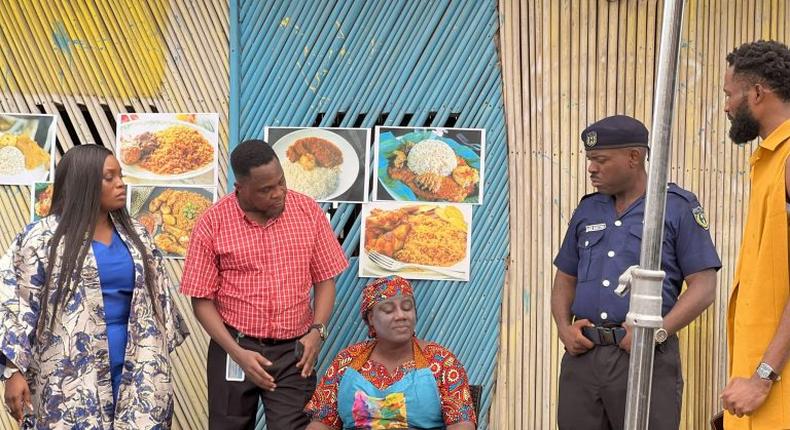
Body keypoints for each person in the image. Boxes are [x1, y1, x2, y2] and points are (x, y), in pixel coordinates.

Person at [550, 115, 721, 430]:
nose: (591, 168)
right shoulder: (588, 209)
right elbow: (565, 277)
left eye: (600, 160)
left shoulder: (675, 207)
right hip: (584, 358)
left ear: (634, 157)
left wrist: (655, 333)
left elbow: (704, 286)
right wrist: (564, 328)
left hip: (646, 358)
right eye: (590, 160)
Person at [0, 144, 188, 428]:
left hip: (138, 369)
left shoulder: (137, 236)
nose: (120, 184)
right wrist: (13, 372)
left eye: (121, 176)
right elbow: (16, 303)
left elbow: (159, 301)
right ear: (83, 182)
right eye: (109, 177)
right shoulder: (41, 239)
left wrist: (157, 360)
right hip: (70, 374)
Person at [181, 139, 349, 429]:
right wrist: (237, 354)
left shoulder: (307, 212)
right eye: (266, 189)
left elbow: (325, 279)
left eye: (280, 182)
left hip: (293, 352)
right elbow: (201, 300)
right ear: (240, 188)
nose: (278, 193)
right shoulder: (212, 222)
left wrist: (317, 333)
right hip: (233, 346)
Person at [720, 40, 790, 429]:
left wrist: (763, 378)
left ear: (757, 93)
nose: (727, 106)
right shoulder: (770, 162)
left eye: (730, 94)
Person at [304, 276, 476, 429]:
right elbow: (322, 421)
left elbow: (462, 423)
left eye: (407, 308)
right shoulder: (347, 361)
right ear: (371, 318)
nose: (401, 315)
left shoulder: (441, 361)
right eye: (388, 310)